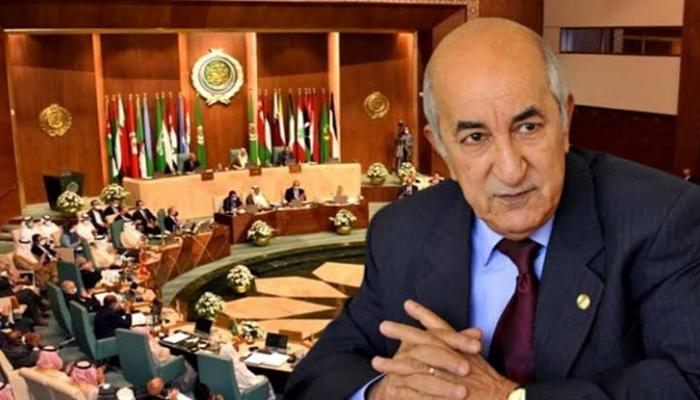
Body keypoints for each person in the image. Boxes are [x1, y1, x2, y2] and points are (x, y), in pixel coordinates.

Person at [285, 18, 700, 400]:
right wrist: (384, 392)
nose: (511, 169)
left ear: (565, 121)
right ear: (440, 147)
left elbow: (690, 382)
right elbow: (319, 375)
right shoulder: (401, 230)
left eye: (528, 127)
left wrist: (509, 398)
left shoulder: (663, 219)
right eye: (475, 137)